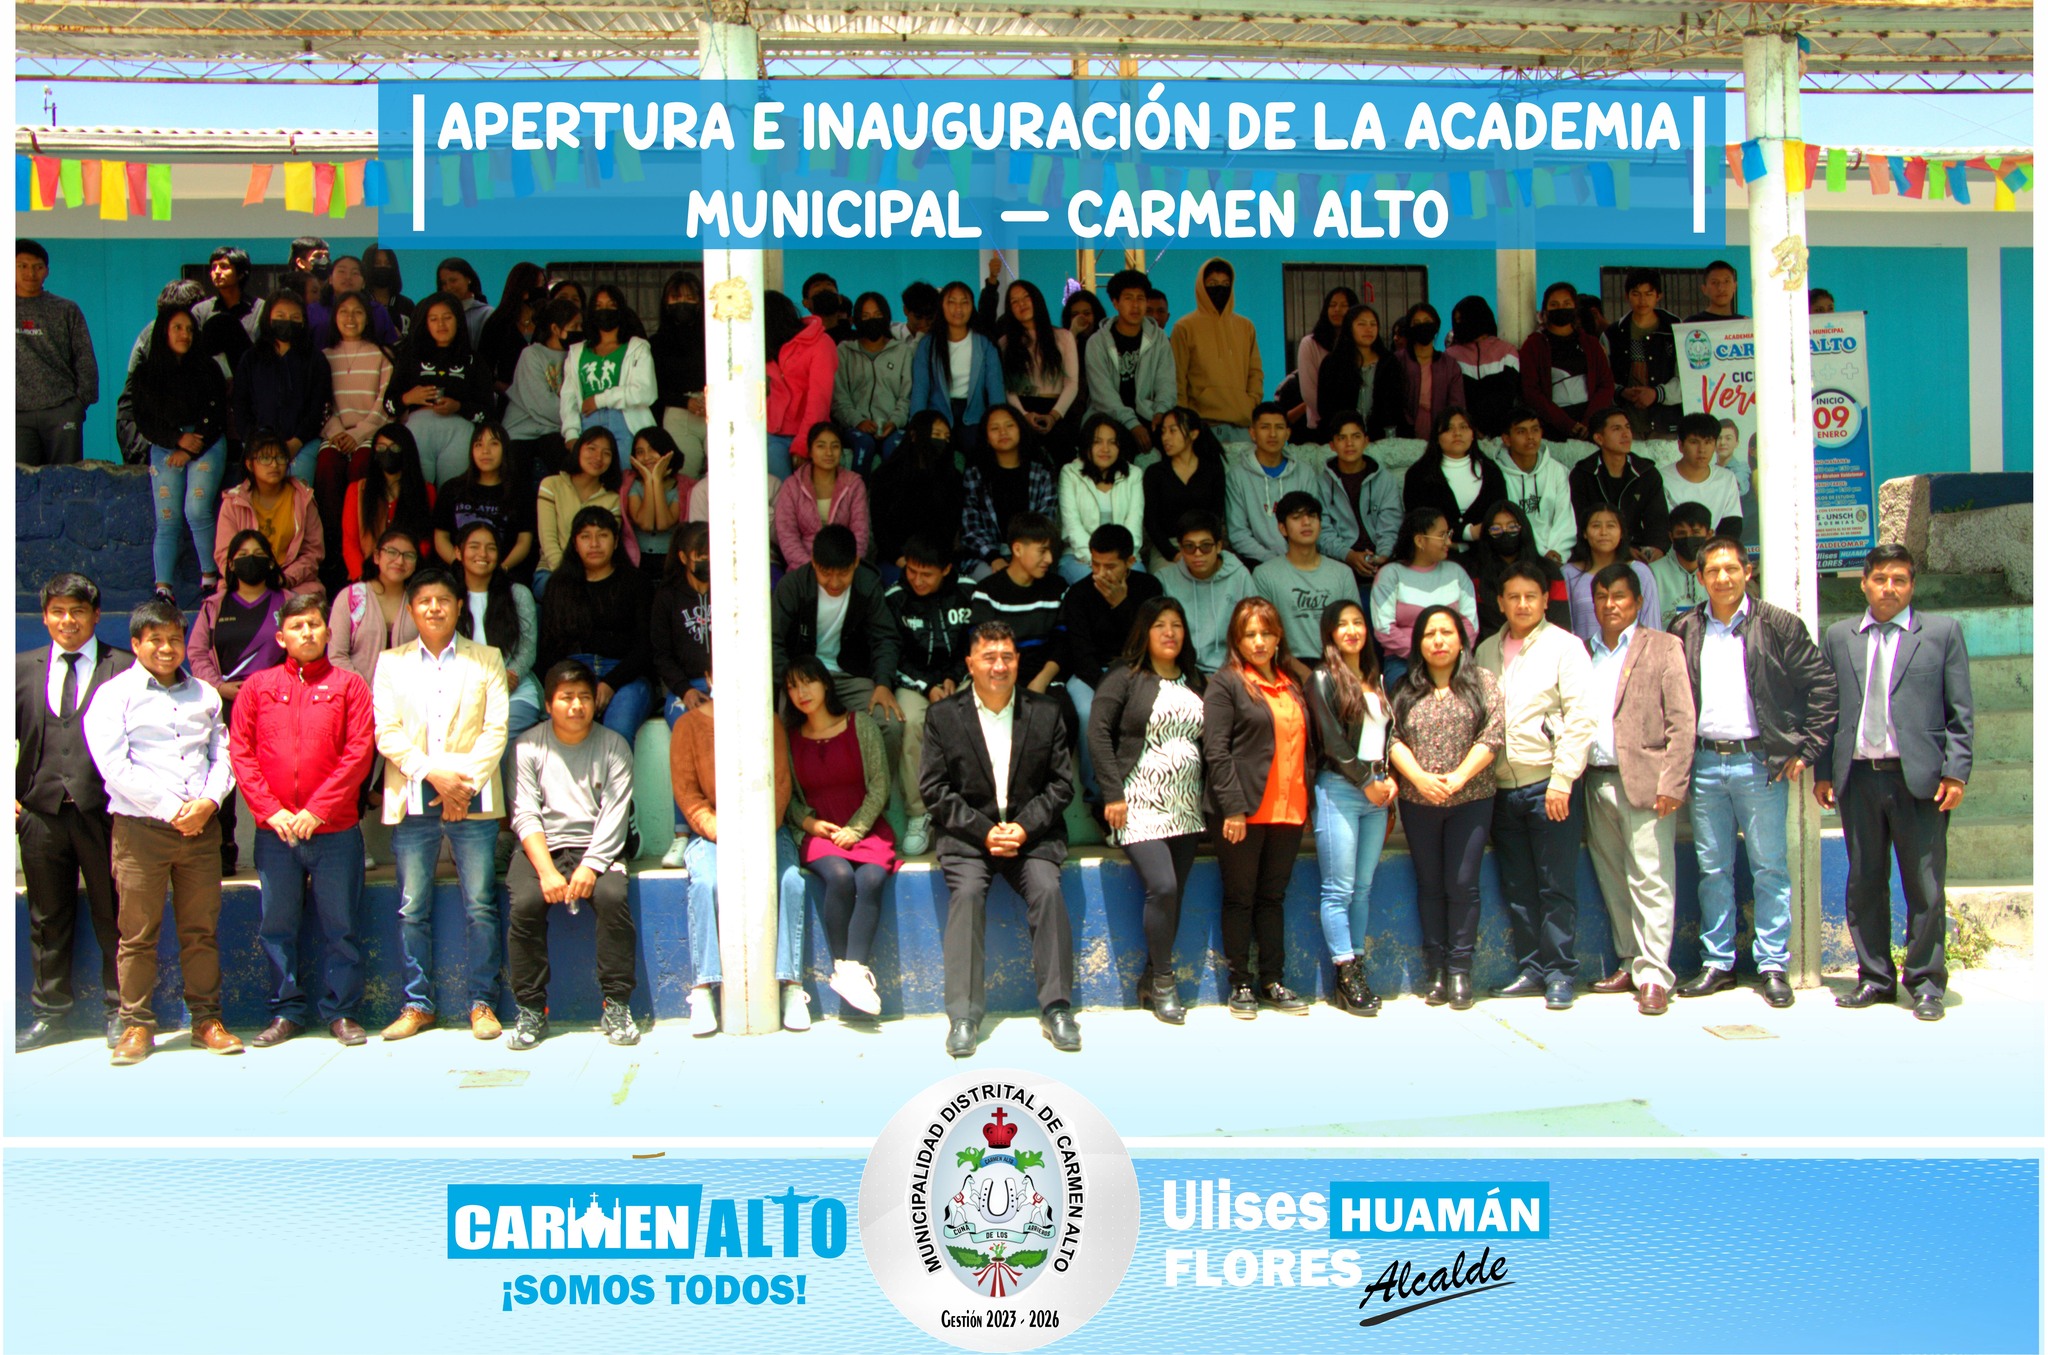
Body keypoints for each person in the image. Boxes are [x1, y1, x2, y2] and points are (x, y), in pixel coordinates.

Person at [1669, 536, 1838, 1007]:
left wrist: (1806, 749)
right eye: (1713, 571)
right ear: (1700, 577)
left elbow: (1822, 684)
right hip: (1704, 764)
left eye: (1731, 569)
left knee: (1769, 868)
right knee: (1713, 869)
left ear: (1748, 571)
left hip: (1759, 763)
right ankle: (1717, 963)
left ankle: (1772, 966)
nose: (1723, 577)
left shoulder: (1778, 624)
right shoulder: (1684, 629)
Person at [1816, 546, 1974, 1022]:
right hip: (1858, 777)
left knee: (1924, 884)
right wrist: (1824, 771)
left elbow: (1960, 712)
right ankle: (1875, 978)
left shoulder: (1941, 634)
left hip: (1920, 781)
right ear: (1863, 582)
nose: (1890, 587)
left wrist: (1956, 770)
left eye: (1900, 579)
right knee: (1864, 881)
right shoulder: (1840, 636)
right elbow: (1827, 710)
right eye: (1880, 578)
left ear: (1912, 586)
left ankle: (1925, 983)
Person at [83, 596, 243, 1064]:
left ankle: (206, 1021)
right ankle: (136, 1025)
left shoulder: (205, 694)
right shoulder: (113, 695)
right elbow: (113, 766)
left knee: (200, 931)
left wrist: (211, 801)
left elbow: (223, 754)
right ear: (137, 644)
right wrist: (174, 808)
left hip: (200, 830)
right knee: (138, 933)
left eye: (175, 638)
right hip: (142, 831)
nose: (167, 648)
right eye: (156, 640)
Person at [919, 622, 1079, 1056]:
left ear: (1018, 661)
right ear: (970, 663)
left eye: (1007, 656)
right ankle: (965, 1016)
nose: (999, 665)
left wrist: (1023, 827)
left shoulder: (1045, 713)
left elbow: (1061, 785)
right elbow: (934, 790)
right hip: (969, 838)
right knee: (967, 895)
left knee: (1047, 890)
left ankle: (1058, 1009)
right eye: (989, 657)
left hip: (1031, 836)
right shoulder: (942, 716)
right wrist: (984, 830)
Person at [227, 592, 376, 1047]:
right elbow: (242, 752)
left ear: (328, 633)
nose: (307, 633)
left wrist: (318, 809)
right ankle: (287, 1011)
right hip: (277, 834)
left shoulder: (351, 686)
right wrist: (272, 812)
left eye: (314, 625)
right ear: (281, 637)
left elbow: (358, 754)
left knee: (341, 926)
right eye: (297, 627)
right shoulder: (257, 687)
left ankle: (342, 1011)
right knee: (277, 925)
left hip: (334, 832)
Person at [374, 566, 511, 1040]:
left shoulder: (487, 658)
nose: (434, 607)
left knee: (480, 906)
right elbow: (386, 732)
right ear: (411, 609)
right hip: (413, 799)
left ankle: (482, 1004)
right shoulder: (390, 663)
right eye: (424, 600)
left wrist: (462, 786)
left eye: (443, 600)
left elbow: (496, 730)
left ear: (458, 608)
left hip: (474, 798)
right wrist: (433, 775)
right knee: (412, 907)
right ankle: (417, 1004)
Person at [15, 574, 134, 1051]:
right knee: (47, 917)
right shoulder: (22, 668)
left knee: (115, 914)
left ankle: (118, 1012)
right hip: (40, 813)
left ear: (96, 615)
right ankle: (50, 1016)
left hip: (105, 812)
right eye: (59, 611)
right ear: (45, 617)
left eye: (78, 611)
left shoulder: (122, 667)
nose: (68, 620)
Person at [1474, 561, 1597, 1009]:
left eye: (1531, 596)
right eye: (1514, 596)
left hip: (1550, 784)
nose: (1522, 604)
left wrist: (1563, 779)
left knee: (1555, 885)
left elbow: (1581, 717)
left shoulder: (1566, 647)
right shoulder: (1486, 650)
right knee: (1519, 888)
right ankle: (1531, 968)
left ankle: (1561, 973)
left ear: (1546, 600)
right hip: (1502, 789)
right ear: (1500, 602)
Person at [501, 659, 641, 1050]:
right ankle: (530, 1009)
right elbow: (525, 813)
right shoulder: (527, 746)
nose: (576, 705)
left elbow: (615, 814)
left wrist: (592, 866)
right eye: (566, 698)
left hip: (598, 845)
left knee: (612, 898)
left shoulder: (614, 745)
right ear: (548, 704)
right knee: (526, 903)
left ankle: (616, 1004)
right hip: (541, 847)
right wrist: (546, 871)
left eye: (583, 697)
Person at [671, 669, 813, 1035]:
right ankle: (703, 988)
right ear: (708, 677)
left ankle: (791, 985)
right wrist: (723, 832)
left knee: (790, 881)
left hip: (768, 830)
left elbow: (780, 785)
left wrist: (758, 832)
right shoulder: (687, 726)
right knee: (706, 883)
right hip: (712, 834)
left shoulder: (769, 722)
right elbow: (688, 794)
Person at [1580, 562, 1695, 1017]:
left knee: (1650, 877)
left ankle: (1654, 974)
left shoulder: (1664, 647)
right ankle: (1629, 960)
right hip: (1596, 779)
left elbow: (1682, 722)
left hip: (1647, 783)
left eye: (1620, 596)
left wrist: (1673, 782)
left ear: (1638, 601)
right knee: (1612, 876)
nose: (1611, 604)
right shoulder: (1584, 652)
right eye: (1603, 596)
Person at [1089, 596, 1207, 1024]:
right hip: (1137, 801)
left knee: (1174, 896)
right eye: (1160, 624)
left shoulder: (1195, 679)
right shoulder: (1124, 677)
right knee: (1164, 887)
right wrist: (1112, 794)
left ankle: (1149, 980)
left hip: (1186, 805)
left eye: (1177, 624)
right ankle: (1165, 982)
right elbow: (1099, 733)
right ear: (1145, 632)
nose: (1170, 632)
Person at [1387, 604, 1505, 1011]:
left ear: (1461, 639)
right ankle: (1435, 969)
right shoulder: (1403, 688)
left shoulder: (1482, 682)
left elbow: (1493, 735)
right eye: (1429, 634)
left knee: (1462, 885)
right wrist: (1418, 777)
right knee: (1430, 885)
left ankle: (1459, 970)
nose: (1438, 641)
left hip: (1471, 799)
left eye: (1446, 632)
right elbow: (1393, 739)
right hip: (1419, 803)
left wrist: (1458, 778)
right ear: (1418, 643)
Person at [1203, 597, 1317, 1018]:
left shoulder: (1290, 683)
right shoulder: (1226, 683)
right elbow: (1216, 751)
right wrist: (1233, 808)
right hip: (1242, 812)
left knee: (1273, 898)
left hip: (1289, 809)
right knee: (1240, 897)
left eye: (1266, 632)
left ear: (1279, 635)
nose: (1259, 641)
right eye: (1250, 633)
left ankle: (1273, 980)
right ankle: (1240, 984)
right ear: (1237, 638)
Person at [784, 657, 898, 1021]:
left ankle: (851, 972)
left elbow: (880, 783)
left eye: (808, 683)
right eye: (792, 687)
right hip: (819, 832)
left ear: (825, 685)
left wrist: (858, 828)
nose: (801, 693)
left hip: (863, 826)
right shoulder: (789, 739)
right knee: (840, 876)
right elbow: (787, 796)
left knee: (872, 877)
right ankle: (845, 968)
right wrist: (809, 823)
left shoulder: (859, 725)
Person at [1304, 599, 1397, 1016]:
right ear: (1330, 634)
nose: (1352, 630)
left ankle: (1357, 962)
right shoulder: (1322, 679)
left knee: (1363, 888)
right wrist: (1366, 780)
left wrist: (1387, 774)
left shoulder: (1375, 679)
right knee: (1338, 889)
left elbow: (1386, 736)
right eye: (1342, 625)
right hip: (1341, 789)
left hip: (1377, 792)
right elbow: (1332, 741)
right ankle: (1345, 973)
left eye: (1358, 622)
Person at [189, 529, 290, 875]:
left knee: (279, 778)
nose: (251, 559)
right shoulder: (214, 605)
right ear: (230, 564)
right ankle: (222, 851)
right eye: (243, 553)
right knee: (225, 775)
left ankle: (284, 851)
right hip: (227, 703)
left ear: (270, 560)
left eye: (258, 552)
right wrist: (218, 686)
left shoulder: (286, 602)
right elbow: (197, 651)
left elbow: (303, 649)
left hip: (277, 704)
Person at [127, 303, 231, 599]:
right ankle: (164, 588)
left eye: (189, 328)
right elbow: (144, 420)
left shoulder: (208, 367)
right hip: (166, 446)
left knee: (196, 510)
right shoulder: (146, 373)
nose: (184, 334)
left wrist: (189, 447)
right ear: (163, 332)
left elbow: (217, 414)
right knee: (168, 517)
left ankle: (210, 578)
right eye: (177, 328)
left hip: (205, 442)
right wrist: (175, 439)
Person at [1058, 524, 1165, 810]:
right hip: (1092, 674)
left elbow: (1148, 643)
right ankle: (1099, 799)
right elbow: (1082, 654)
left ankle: (1151, 793)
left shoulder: (1148, 588)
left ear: (1130, 562)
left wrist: (1121, 605)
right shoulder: (1079, 594)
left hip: (1139, 669)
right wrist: (1109, 692)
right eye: (1095, 564)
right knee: (1087, 712)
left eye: (1110, 566)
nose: (1101, 573)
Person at [885, 534, 977, 858]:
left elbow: (975, 643)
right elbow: (892, 653)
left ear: (946, 569)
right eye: (912, 571)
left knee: (975, 714)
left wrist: (954, 677)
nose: (917, 580)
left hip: (961, 677)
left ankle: (969, 810)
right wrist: (928, 686)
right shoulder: (895, 597)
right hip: (913, 683)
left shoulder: (967, 591)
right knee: (909, 722)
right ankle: (918, 813)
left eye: (927, 574)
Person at [535, 507, 655, 742]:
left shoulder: (637, 583)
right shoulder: (559, 586)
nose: (594, 544)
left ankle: (615, 781)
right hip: (574, 673)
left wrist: (611, 683)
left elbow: (646, 647)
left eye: (602, 535)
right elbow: (550, 651)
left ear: (616, 541)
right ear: (574, 543)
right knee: (568, 728)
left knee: (617, 729)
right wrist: (578, 685)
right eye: (585, 536)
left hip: (627, 676)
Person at [771, 522, 905, 724]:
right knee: (786, 724)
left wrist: (883, 684)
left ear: (856, 563)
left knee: (889, 723)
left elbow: (885, 638)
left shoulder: (868, 585)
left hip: (851, 676)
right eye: (826, 573)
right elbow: (771, 641)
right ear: (814, 562)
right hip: (802, 678)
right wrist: (792, 681)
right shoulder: (792, 586)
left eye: (843, 573)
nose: (834, 583)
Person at [315, 290, 396, 593]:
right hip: (335, 433)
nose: (350, 318)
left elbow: (384, 402)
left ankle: (364, 549)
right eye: (343, 312)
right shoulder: (324, 356)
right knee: (326, 467)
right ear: (334, 318)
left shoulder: (382, 354)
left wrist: (359, 433)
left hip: (369, 433)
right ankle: (333, 553)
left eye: (358, 312)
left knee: (363, 467)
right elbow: (321, 401)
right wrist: (337, 432)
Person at [386, 291, 492, 485]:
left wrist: (458, 406)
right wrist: (408, 398)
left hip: (459, 430)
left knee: (452, 491)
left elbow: (487, 410)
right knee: (418, 491)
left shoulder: (473, 360)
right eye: (433, 319)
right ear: (425, 323)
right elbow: (388, 405)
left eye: (447, 318)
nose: (441, 324)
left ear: (458, 320)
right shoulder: (411, 357)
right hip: (418, 430)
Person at [1369, 507, 1479, 688]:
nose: (1448, 541)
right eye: (1442, 535)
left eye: (1448, 534)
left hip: (1453, 661)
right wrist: (1425, 653)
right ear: (1420, 540)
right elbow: (1384, 629)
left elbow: (1471, 624)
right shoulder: (1390, 574)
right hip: (1405, 663)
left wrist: (1448, 654)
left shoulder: (1457, 573)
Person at [231, 290, 331, 484]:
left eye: (295, 317)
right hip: (258, 442)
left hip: (302, 443)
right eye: (280, 316)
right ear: (268, 318)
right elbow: (240, 403)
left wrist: (297, 442)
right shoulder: (251, 358)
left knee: (297, 497)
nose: (288, 321)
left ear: (303, 322)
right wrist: (255, 441)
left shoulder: (315, 359)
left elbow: (318, 407)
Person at [454, 520, 543, 737]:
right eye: (474, 546)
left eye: (491, 547)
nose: (483, 554)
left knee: (498, 738)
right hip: (461, 693)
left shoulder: (518, 594)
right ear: (458, 552)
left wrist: (508, 675)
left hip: (514, 692)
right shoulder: (447, 597)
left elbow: (528, 650)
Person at [16, 239, 99, 466]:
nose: (29, 273)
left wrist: (79, 404)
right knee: (19, 489)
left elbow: (84, 358)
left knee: (66, 483)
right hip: (15, 416)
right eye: (21, 266)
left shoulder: (66, 309)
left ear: (47, 271)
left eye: (37, 267)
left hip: (62, 410)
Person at [214, 431, 326, 597]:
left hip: (291, 582)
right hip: (244, 582)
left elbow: (313, 552)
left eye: (280, 458)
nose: (274, 465)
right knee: (223, 603)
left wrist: (284, 579)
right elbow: (225, 554)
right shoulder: (233, 502)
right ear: (250, 464)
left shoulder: (303, 498)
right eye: (265, 458)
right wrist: (250, 579)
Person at [1252, 491, 1359, 660]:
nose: (1306, 522)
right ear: (1282, 528)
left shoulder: (1342, 573)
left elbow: (1354, 631)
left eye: (1312, 516)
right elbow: (1263, 634)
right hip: (1286, 667)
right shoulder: (1265, 575)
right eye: (1296, 517)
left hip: (1336, 664)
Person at [967, 512, 1067, 692]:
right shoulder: (988, 591)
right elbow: (983, 647)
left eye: (1051, 551)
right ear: (1017, 549)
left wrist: (1041, 681)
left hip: (1045, 678)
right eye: (1042, 551)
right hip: (999, 678)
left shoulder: (1057, 588)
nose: (1050, 559)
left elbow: (1062, 645)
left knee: (1065, 716)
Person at [559, 284, 656, 460]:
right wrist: (571, 433)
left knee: (625, 484)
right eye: (598, 306)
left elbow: (645, 392)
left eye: (611, 305)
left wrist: (599, 400)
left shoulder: (637, 348)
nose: (605, 311)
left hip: (626, 423)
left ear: (621, 310)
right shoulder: (577, 352)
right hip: (586, 425)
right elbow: (569, 397)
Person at [1224, 402, 1327, 569]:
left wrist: (1296, 558)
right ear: (1252, 433)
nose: (1272, 434)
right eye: (1265, 427)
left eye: (1279, 427)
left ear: (1288, 433)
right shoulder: (1237, 477)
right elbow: (1238, 533)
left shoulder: (1304, 473)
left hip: (1303, 559)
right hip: (1258, 563)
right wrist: (1275, 561)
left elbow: (1314, 522)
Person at [958, 407, 1058, 579]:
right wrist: (993, 557)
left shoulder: (1041, 471)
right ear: (987, 438)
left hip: (1033, 554)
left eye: (1009, 426)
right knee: (996, 583)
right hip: (987, 557)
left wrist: (1024, 557)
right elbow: (971, 525)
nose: (1003, 432)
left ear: (1021, 429)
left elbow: (1046, 520)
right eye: (995, 428)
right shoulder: (975, 474)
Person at [1171, 258, 1263, 441]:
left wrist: (1250, 403)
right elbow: (1177, 378)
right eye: (1213, 284)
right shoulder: (1184, 327)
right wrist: (1184, 421)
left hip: (1241, 426)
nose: (1220, 288)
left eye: (1225, 284)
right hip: (1201, 426)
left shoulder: (1246, 327)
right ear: (1202, 287)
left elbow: (1255, 373)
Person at [909, 280, 1005, 454]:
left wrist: (999, 424)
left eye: (964, 302)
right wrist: (917, 426)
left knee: (978, 447)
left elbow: (995, 389)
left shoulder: (985, 344)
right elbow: (920, 390)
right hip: (938, 414)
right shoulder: (928, 344)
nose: (958, 309)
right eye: (951, 302)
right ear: (942, 306)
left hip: (974, 415)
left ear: (972, 306)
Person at [1087, 269, 1177, 454]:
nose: (1135, 305)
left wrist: (1161, 413)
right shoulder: (1097, 342)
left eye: (1140, 298)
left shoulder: (1159, 339)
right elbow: (1103, 394)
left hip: (1148, 414)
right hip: (1107, 416)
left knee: (1190, 440)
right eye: (1128, 298)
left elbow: (1166, 382)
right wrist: (1131, 424)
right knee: (1123, 443)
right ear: (1115, 302)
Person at [1159, 509, 1259, 673]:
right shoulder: (1165, 579)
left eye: (1205, 546)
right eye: (1190, 547)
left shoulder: (1239, 576)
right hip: (1182, 671)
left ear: (1219, 546)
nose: (1198, 554)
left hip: (1232, 671)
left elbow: (1254, 630)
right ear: (1181, 548)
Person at [1312, 411, 1402, 594]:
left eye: (1356, 436)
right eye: (1342, 438)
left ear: (1366, 441)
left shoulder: (1384, 480)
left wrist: (1383, 556)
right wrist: (1349, 556)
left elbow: (1391, 524)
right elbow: (1322, 531)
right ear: (1332, 445)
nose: (1349, 444)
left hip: (1381, 558)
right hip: (1339, 560)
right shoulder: (1321, 484)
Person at [535, 428, 633, 594]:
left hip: (596, 573)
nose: (598, 458)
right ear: (578, 449)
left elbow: (606, 548)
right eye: (591, 448)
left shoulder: (613, 499)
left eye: (606, 453)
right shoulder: (551, 485)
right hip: (553, 571)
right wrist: (570, 577)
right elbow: (548, 541)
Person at [994, 279, 1081, 462]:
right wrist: (1024, 415)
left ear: (1037, 300)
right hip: (1021, 410)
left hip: (1057, 409)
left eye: (1026, 298)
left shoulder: (1063, 337)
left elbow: (1072, 383)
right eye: (1014, 301)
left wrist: (1053, 415)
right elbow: (1007, 387)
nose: (1021, 304)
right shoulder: (1005, 343)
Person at [1403, 407, 1506, 561]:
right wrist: (1467, 532)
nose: (1457, 433)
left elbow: (1501, 511)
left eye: (1464, 427)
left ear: (1473, 435)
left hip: (1486, 556)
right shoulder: (1418, 474)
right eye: (1449, 429)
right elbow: (1417, 520)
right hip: (1435, 557)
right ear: (1436, 438)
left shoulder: (1491, 471)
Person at [434, 420, 536, 574]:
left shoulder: (521, 492)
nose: (485, 451)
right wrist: (459, 567)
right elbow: (441, 536)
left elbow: (524, 541)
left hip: (503, 575)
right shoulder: (452, 489)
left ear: (505, 449)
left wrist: (500, 570)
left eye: (493, 444)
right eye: (478, 445)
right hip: (457, 574)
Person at [1519, 280, 1615, 443]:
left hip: (1590, 426)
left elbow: (1606, 385)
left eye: (1566, 303)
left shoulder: (1591, 344)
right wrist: (1565, 423)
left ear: (1575, 307)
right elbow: (1531, 391)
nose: (1560, 308)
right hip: (1551, 427)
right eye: (1554, 304)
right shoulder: (1534, 344)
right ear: (1545, 310)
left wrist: (1588, 421)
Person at [1568, 406, 1670, 558]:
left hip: (1638, 550)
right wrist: (1620, 551)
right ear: (1599, 438)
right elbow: (1580, 524)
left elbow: (1658, 521)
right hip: (1596, 552)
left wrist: (1656, 550)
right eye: (1616, 429)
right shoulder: (1583, 475)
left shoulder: (1647, 473)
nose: (1626, 434)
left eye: (1627, 427)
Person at [870, 410, 963, 574]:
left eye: (946, 437)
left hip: (937, 560)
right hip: (896, 559)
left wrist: (933, 563)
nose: (942, 441)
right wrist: (900, 560)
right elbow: (880, 528)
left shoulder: (952, 479)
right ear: (914, 436)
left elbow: (949, 528)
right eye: (936, 434)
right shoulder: (886, 476)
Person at [1058, 416, 1146, 584]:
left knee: (1137, 585)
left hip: (1124, 558)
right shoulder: (1070, 473)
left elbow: (1134, 526)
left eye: (1112, 442)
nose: (1105, 449)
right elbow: (1072, 527)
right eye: (1097, 442)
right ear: (1086, 444)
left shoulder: (1133, 474)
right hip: (1079, 557)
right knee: (1092, 585)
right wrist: (1099, 563)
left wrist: (1118, 563)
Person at [341, 426, 435, 583]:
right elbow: (350, 543)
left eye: (395, 448)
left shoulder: (426, 491)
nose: (388, 453)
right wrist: (363, 579)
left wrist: (405, 571)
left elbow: (424, 542)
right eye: (381, 448)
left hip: (408, 577)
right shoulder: (357, 491)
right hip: (366, 578)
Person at [833, 291, 913, 473]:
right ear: (856, 319)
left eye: (878, 315)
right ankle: (857, 499)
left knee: (895, 450)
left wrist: (894, 421)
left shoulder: (902, 351)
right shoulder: (845, 351)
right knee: (864, 444)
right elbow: (839, 397)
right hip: (855, 428)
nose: (872, 320)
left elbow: (906, 396)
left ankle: (890, 501)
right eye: (866, 316)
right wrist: (858, 421)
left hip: (892, 426)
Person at [328, 529, 421, 685]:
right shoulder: (351, 598)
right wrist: (364, 695)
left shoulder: (420, 602)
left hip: (406, 703)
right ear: (377, 557)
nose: (399, 561)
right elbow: (337, 656)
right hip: (355, 701)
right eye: (392, 552)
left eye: (408, 555)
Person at [1469, 500, 1572, 641]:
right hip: (1491, 654)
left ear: (1523, 529)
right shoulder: (1475, 574)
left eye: (1512, 527)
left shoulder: (1549, 571)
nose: (1504, 532)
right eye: (1496, 529)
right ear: (1487, 534)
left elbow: (1561, 623)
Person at [774, 421, 870, 569]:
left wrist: (844, 569)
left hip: (845, 567)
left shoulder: (854, 484)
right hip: (803, 569)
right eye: (821, 446)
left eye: (835, 446)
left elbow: (860, 533)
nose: (829, 452)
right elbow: (787, 535)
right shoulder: (792, 486)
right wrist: (812, 569)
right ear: (810, 451)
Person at [1141, 407, 1227, 569]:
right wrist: (1174, 554)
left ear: (1193, 434)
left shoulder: (1212, 469)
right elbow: (1151, 522)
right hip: (1170, 546)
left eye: (1173, 431)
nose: (1166, 437)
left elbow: (1216, 514)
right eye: (1163, 431)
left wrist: (1203, 547)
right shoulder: (1155, 473)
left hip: (1205, 543)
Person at [1563, 505, 1664, 642]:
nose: (1603, 532)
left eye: (1611, 526)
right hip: (1584, 659)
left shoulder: (1640, 572)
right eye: (1596, 526)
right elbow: (1563, 630)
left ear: (1622, 533)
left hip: (1633, 660)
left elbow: (1651, 625)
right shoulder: (1569, 574)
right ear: (1585, 533)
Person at [765, 289, 838, 477]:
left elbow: (819, 400)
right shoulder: (771, 346)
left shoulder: (820, 343)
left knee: (799, 499)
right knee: (778, 497)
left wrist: (803, 443)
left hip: (809, 435)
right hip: (771, 434)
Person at [505, 295, 578, 483]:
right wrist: (573, 417)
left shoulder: (577, 355)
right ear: (555, 329)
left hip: (555, 431)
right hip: (521, 430)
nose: (580, 331)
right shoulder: (532, 354)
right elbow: (542, 405)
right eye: (575, 327)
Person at [1489, 407, 1577, 562]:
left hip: (1557, 555)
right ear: (1506, 439)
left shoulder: (1557, 470)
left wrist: (1557, 552)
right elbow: (1508, 523)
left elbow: (1565, 518)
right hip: (1515, 554)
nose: (1530, 437)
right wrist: (1541, 553)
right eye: (1521, 432)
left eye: (1535, 430)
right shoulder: (1496, 475)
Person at [1314, 301, 1407, 442]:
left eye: (1373, 324)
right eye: (1361, 324)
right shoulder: (1333, 362)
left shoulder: (1389, 362)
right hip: (1342, 440)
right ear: (1349, 328)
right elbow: (1325, 407)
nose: (1368, 329)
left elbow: (1395, 407)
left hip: (1381, 440)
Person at [1607, 269, 1682, 438]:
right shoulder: (1613, 333)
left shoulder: (1676, 329)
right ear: (1627, 296)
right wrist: (1620, 392)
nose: (1642, 300)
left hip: (1667, 424)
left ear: (1659, 295)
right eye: (1636, 294)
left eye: (1648, 294)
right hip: (1626, 425)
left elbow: (1688, 377)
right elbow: (1602, 380)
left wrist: (1657, 394)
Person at [649, 270, 708, 481]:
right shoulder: (656, 343)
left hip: (716, 412)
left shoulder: (715, 336)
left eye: (690, 298)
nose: (683, 303)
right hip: (678, 415)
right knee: (685, 480)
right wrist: (686, 401)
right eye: (676, 298)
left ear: (701, 302)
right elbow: (653, 389)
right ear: (666, 303)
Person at [1444, 296, 1523, 438]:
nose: (1458, 324)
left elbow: (1507, 394)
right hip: (1464, 435)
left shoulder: (1507, 351)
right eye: (1456, 320)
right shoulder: (1450, 355)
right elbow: (1451, 398)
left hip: (1503, 435)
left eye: (1462, 319)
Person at [621, 424, 690, 580]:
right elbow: (645, 524)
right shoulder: (632, 485)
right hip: (637, 562)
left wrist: (657, 481)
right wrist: (648, 480)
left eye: (653, 449)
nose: (647, 457)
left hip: (670, 562)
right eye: (640, 452)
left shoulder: (682, 487)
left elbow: (663, 523)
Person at [1662, 412, 1745, 538]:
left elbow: (1732, 526)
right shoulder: (1661, 479)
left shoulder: (1726, 478)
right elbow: (1660, 528)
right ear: (1680, 445)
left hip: (1713, 553)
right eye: (1694, 442)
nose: (1702, 449)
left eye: (1708, 442)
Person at [1393, 302, 1466, 438]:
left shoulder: (1449, 364)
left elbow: (1456, 404)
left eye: (1427, 321)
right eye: (1417, 322)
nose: (1422, 326)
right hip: (1403, 433)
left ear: (1436, 326)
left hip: (1441, 432)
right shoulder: (1397, 360)